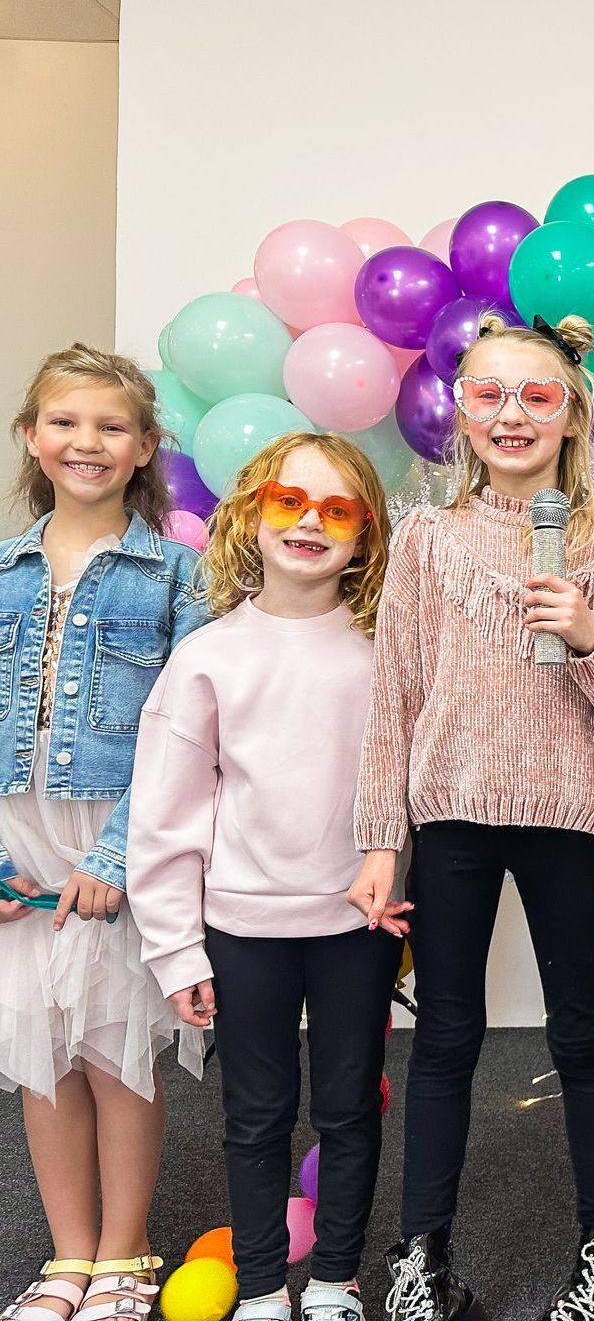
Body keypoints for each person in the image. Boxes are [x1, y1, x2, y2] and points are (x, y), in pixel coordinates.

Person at [351, 315, 594, 1321]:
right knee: (445, 1034)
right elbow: (393, 696)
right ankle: (420, 1257)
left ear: (573, 413)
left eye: (536, 396)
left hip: (567, 817)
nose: (511, 415)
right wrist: (378, 843)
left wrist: (586, 632)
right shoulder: (428, 539)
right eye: (488, 394)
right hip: (452, 820)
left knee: (581, 1032)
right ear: (461, 411)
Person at [127, 434, 400, 1321]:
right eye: (290, 502)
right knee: (255, 1115)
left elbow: (412, 786)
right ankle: (257, 1288)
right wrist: (176, 950)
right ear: (251, 514)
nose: (311, 523)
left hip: (356, 926)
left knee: (350, 1107)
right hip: (241, 930)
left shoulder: (385, 653)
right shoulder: (209, 656)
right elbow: (166, 816)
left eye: (337, 509)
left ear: (365, 534)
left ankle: (333, 1280)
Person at [0, 345, 207, 1321]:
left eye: (111, 427)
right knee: (42, 1046)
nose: (87, 442)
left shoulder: (174, 576)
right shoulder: (2, 571)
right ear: (34, 439)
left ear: (144, 449)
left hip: (118, 837)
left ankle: (125, 1256)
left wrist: (124, 853)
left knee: (116, 1048)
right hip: (19, 837)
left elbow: (188, 729)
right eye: (67, 423)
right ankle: (68, 1258)